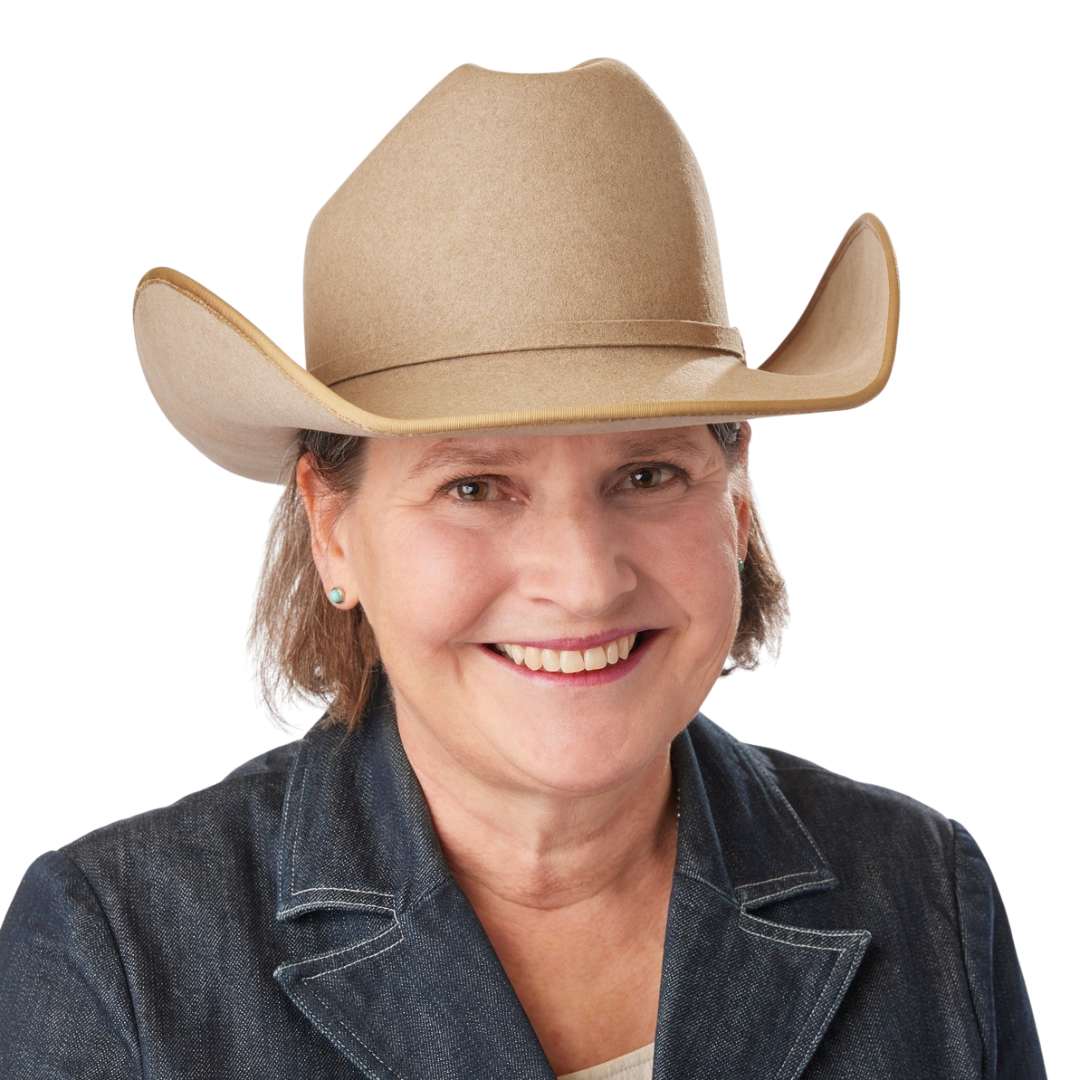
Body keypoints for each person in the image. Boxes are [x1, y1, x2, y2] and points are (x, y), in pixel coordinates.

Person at [0, 59, 1044, 1079]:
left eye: (647, 473)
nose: (583, 581)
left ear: (736, 497)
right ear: (332, 529)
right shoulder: (117, 963)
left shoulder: (927, 899)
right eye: (476, 487)